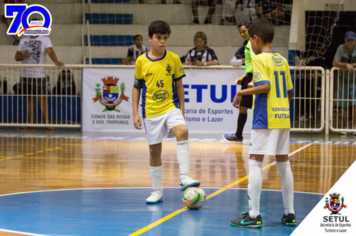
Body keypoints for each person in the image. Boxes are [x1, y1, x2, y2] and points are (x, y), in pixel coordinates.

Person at [230, 19, 295, 227]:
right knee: (284, 164)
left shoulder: (258, 59)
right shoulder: (282, 60)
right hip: (283, 116)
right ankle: (289, 213)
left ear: (255, 39)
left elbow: (265, 86)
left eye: (250, 40)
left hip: (265, 117)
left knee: (255, 162)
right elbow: (290, 92)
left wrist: (242, 91)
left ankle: (254, 214)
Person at [132, 20, 200, 204]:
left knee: (183, 131)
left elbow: (179, 85)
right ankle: (157, 191)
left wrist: (182, 110)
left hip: (170, 106)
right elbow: (136, 87)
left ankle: (184, 177)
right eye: (158, 38)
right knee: (154, 150)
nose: (162, 41)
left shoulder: (174, 59)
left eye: (165, 38)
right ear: (150, 38)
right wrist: (135, 113)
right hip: (150, 111)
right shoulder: (141, 61)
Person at [15, 32, 64, 130]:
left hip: (39, 74)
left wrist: (56, 61)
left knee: (42, 98)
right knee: (30, 98)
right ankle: (31, 122)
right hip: (25, 75)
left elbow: (50, 51)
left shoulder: (45, 39)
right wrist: (24, 55)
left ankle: (47, 122)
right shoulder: (23, 41)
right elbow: (17, 57)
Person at [223, 21, 254, 143]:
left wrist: (252, 79)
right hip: (249, 76)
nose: (242, 34)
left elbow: (256, 62)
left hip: (254, 77)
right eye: (240, 32)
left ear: (249, 29)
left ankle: (239, 135)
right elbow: (250, 64)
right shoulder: (247, 44)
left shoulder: (252, 44)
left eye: (244, 31)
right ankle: (238, 135)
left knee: (249, 107)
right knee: (243, 106)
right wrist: (243, 76)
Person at [332, 31, 356, 135]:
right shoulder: (341, 48)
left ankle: (355, 127)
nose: (350, 42)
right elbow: (334, 62)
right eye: (348, 40)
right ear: (345, 41)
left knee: (355, 104)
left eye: (352, 40)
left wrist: (351, 66)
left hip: (355, 81)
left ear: (355, 41)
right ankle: (347, 126)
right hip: (343, 80)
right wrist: (346, 65)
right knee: (344, 104)